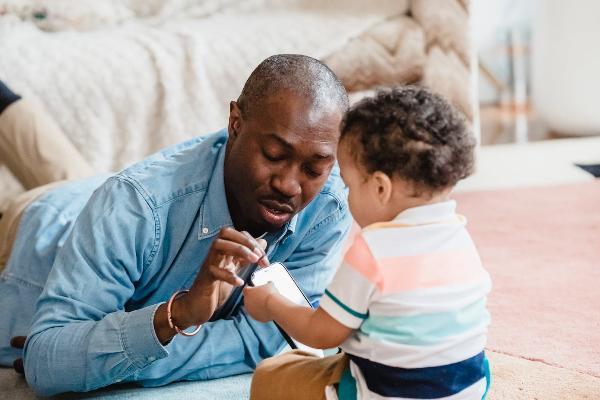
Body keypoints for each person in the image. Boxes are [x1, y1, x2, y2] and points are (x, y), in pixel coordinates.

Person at [0, 54, 353, 396]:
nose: (290, 186)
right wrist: (176, 316)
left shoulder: (328, 205)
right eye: (274, 156)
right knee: (76, 193)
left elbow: (262, 339)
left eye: (314, 168)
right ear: (234, 124)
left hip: (104, 199)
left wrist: (114, 360)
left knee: (80, 177)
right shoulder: (132, 205)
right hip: (45, 226)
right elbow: (48, 362)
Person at [244, 87, 492, 399]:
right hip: (468, 389)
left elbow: (320, 333)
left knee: (272, 375)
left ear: (379, 188)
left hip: (383, 392)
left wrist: (270, 303)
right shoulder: (460, 237)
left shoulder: (373, 250)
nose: (346, 197)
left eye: (348, 185)